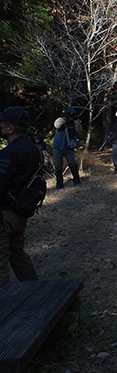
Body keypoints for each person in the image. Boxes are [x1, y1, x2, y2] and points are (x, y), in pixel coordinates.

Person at [0, 106, 41, 287]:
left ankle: (5, 307)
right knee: (18, 255)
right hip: (22, 211)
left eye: (2, 124)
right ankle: (36, 292)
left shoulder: (9, 153)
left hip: (4, 213)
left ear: (11, 128)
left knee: (1, 261)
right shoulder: (34, 149)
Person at [52, 107, 82, 189]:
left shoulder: (73, 123)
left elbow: (79, 129)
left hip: (68, 148)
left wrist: (76, 120)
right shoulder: (61, 120)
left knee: (72, 165)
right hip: (57, 148)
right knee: (58, 167)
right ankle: (59, 184)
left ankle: (77, 181)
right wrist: (64, 119)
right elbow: (56, 125)